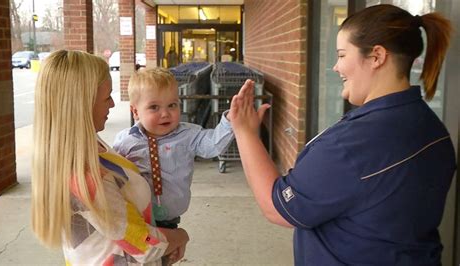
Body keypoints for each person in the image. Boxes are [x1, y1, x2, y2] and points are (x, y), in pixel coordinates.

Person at [227, 4, 456, 265]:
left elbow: (277, 207)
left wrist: (245, 133)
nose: (336, 67)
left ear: (376, 57)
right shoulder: (433, 128)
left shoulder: (354, 145)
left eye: (342, 55)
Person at [31, 50, 189, 265]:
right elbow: (145, 245)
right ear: (81, 105)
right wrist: (181, 236)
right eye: (107, 97)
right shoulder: (87, 176)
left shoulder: (90, 147)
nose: (113, 104)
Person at [113, 68, 234, 230]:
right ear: (135, 111)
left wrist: (229, 121)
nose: (165, 113)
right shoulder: (125, 141)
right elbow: (112, 174)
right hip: (136, 219)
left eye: (172, 105)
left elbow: (212, 145)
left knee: (167, 252)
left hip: (170, 221)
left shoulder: (188, 135)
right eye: (154, 107)